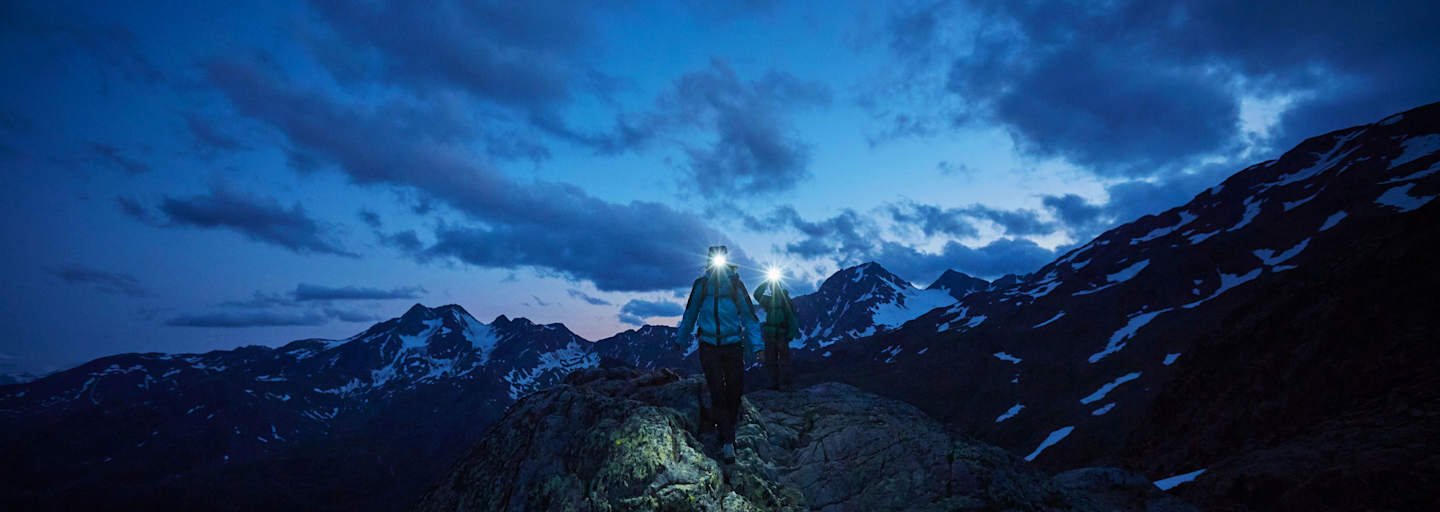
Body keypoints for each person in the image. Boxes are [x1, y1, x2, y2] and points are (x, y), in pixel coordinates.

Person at [675, 245, 762, 463]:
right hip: (709, 346)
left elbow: (750, 317)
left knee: (735, 389)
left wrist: (758, 346)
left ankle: (725, 429)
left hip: (733, 345)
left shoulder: (735, 285)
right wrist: (681, 339)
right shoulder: (701, 286)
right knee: (717, 389)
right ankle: (727, 441)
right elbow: (690, 313)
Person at [753, 271, 799, 390]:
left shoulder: (784, 300)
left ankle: (782, 384)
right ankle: (779, 384)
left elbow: (791, 317)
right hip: (773, 335)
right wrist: (766, 281)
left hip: (779, 335)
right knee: (773, 361)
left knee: (779, 361)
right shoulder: (771, 300)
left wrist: (791, 333)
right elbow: (756, 294)